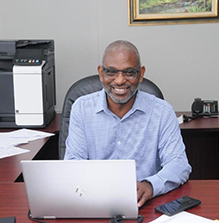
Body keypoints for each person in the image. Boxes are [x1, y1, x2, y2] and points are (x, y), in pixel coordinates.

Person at [64, 40, 192, 207]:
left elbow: (179, 164)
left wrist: (151, 185)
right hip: (93, 201)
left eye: (129, 73)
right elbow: (74, 163)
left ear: (140, 74)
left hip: (145, 204)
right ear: (101, 73)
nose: (119, 81)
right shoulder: (81, 108)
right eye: (111, 72)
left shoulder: (162, 112)